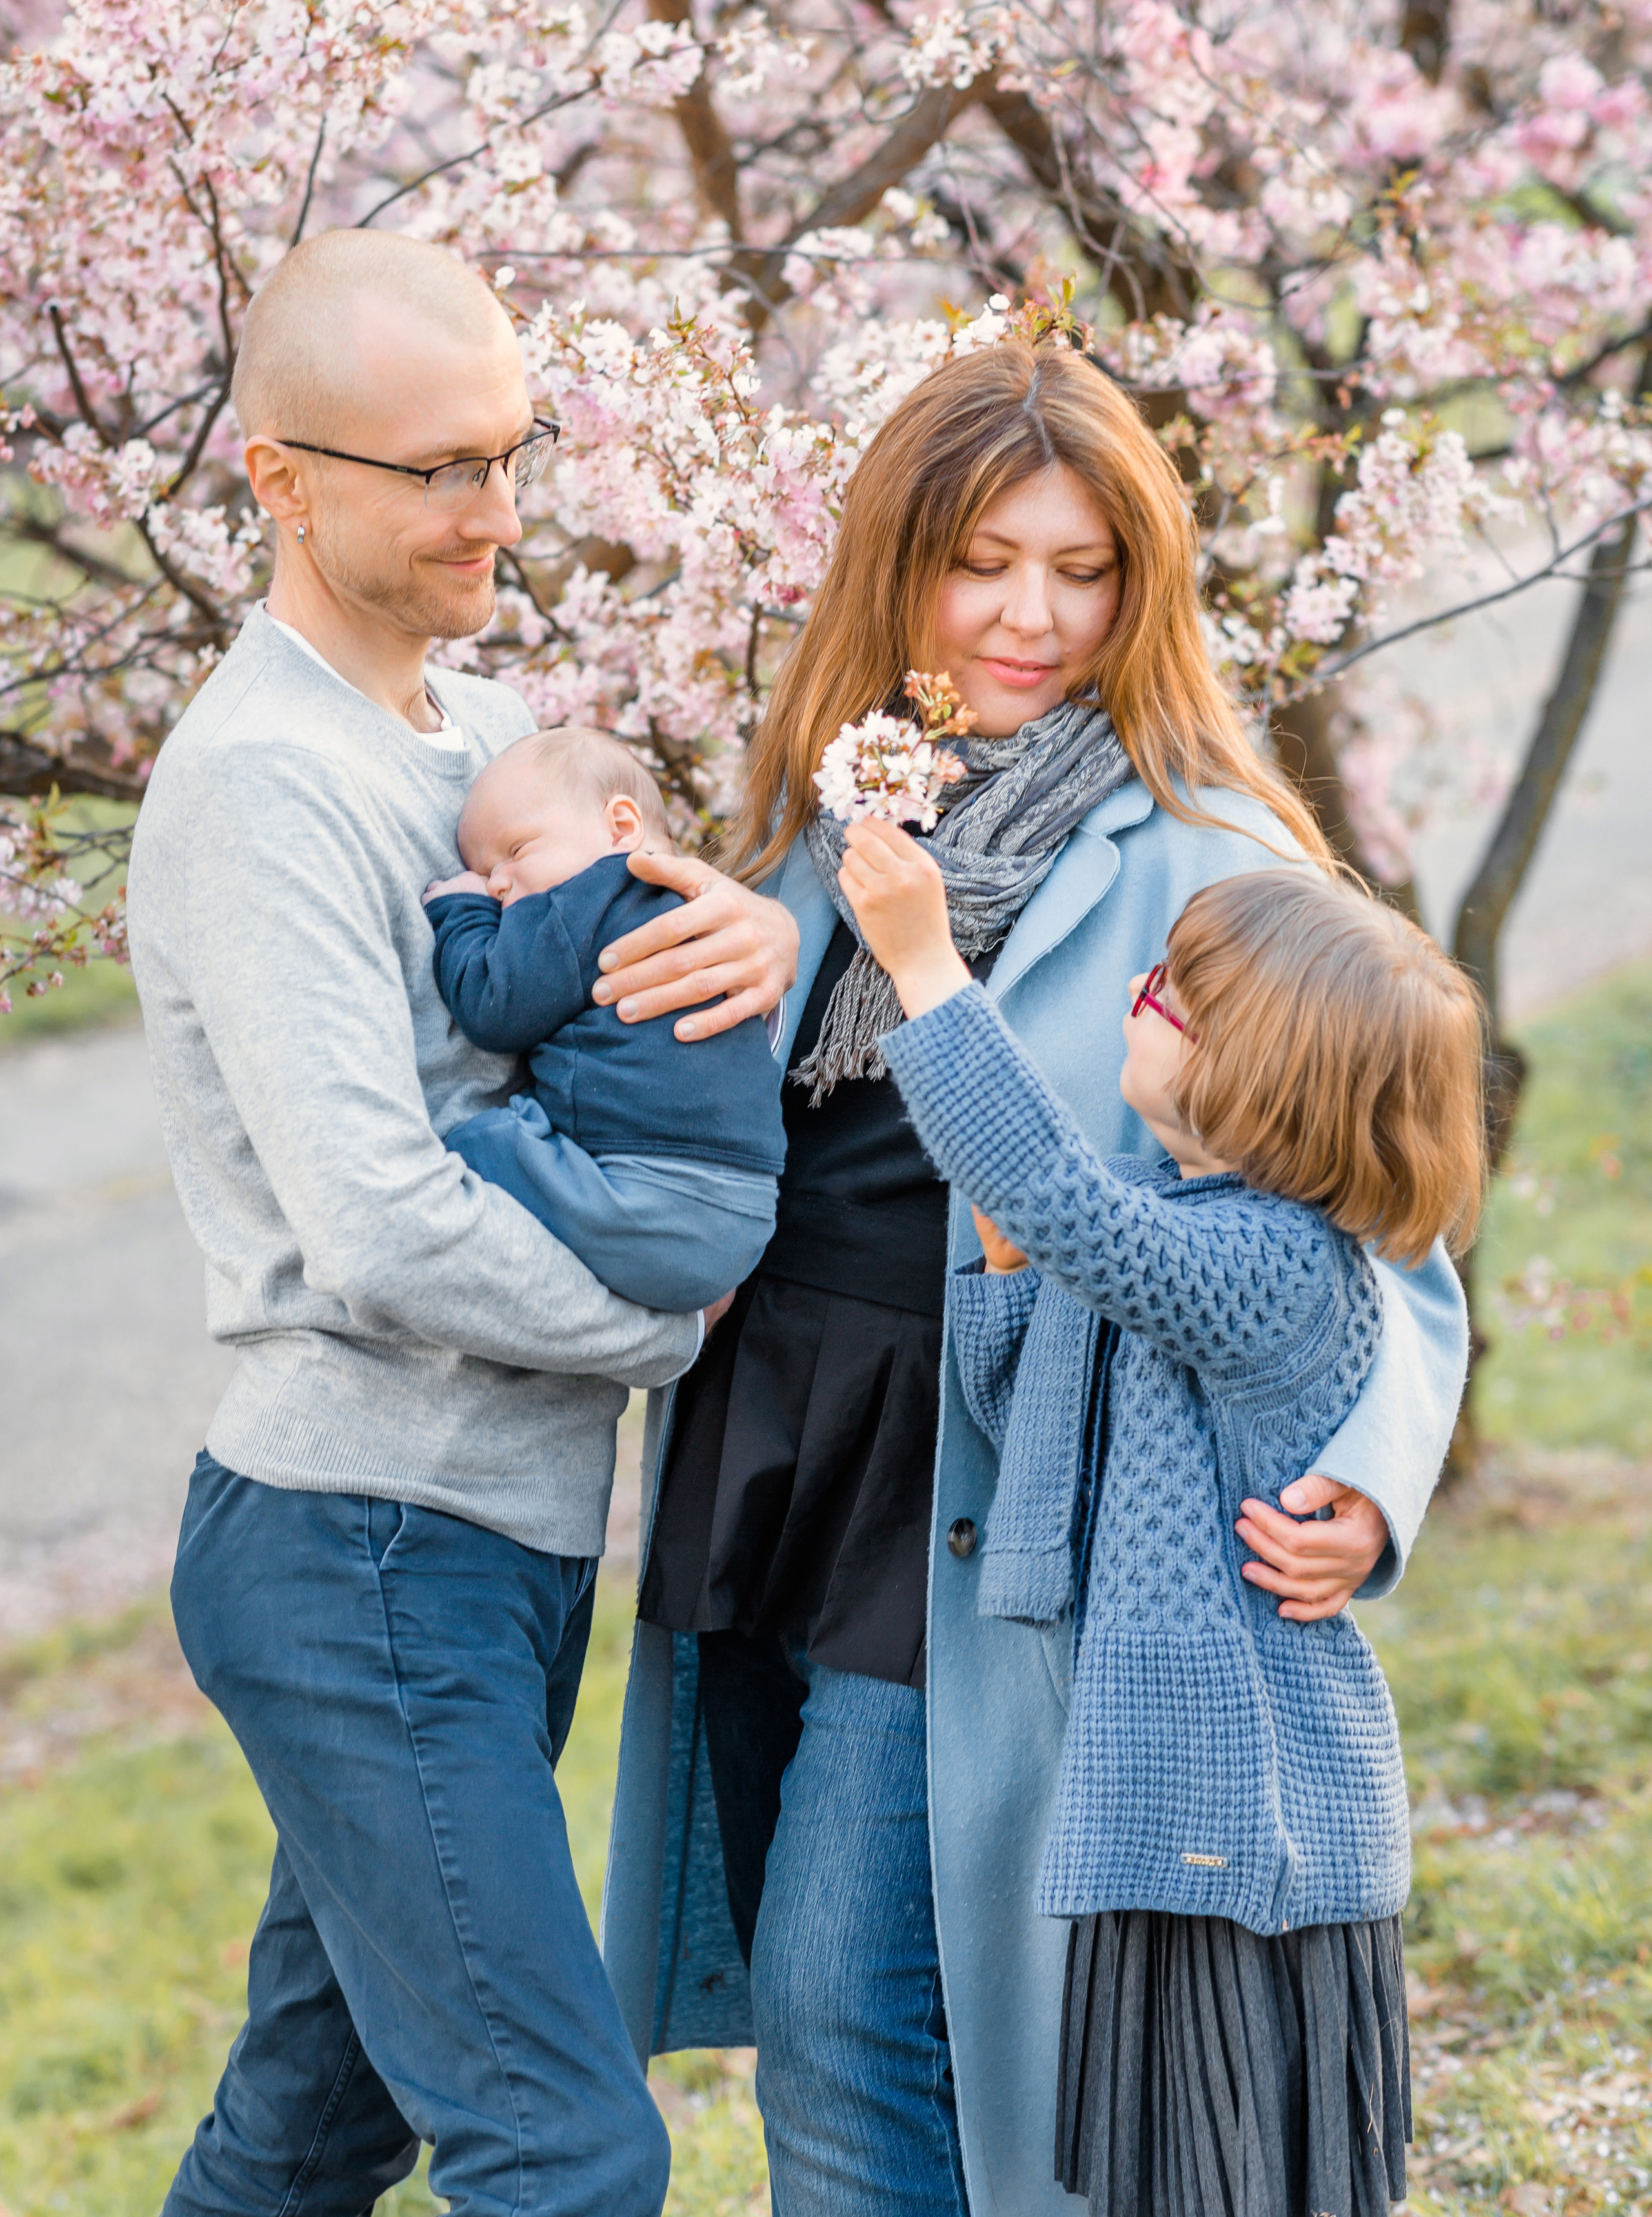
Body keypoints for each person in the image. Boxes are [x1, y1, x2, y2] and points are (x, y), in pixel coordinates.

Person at [599, 337, 1470, 2216]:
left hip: (990, 1476)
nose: (1030, 616)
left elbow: (1381, 1219)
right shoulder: (829, 811)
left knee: (848, 1996)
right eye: (981, 563)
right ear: (894, 568)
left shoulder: (1214, 854)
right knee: (833, 2001)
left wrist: (1370, 1473)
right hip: (785, 1443)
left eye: (1081, 570)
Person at [126, 227, 798, 2217]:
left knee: (309, 2134)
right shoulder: (264, 785)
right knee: (565, 2149)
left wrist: (752, 933)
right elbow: (380, 1225)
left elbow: (650, 990)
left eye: (506, 453)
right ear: (281, 477)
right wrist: (665, 1332)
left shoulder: (491, 738)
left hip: (486, 1538)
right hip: (361, 1543)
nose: (494, 511)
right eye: (436, 469)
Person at [837, 840, 1486, 2216]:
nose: (1140, 993)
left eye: (1166, 994)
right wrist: (1009, 1277)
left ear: (1259, 1082)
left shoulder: (1272, 1265)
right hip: (1160, 1802)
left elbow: (1070, 1206)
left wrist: (926, 969)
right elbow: (1042, 1434)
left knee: (1222, 2174)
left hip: (1243, 1812)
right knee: (1156, 2173)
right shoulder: (1183, 1226)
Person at [424, 725, 785, 1311]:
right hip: (748, 1211)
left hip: (644, 1197)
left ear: (620, 827)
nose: (496, 884)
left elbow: (493, 1008)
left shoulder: (589, 898)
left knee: (478, 1143)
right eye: (483, 874)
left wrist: (460, 910)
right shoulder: (701, 911)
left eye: (515, 852)